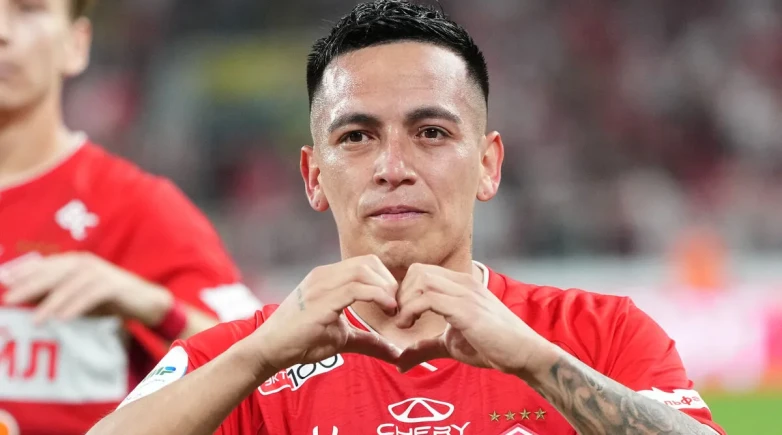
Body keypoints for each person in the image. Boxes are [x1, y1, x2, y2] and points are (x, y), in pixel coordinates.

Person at [89, 1, 726, 434]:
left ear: (488, 165)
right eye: (357, 137)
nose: (393, 167)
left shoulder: (602, 335)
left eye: (430, 132)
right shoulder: (245, 359)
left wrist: (534, 361)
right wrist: (256, 359)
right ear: (314, 176)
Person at [0, 1, 261, 434]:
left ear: (76, 44)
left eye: (28, 9)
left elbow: (274, 375)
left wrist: (157, 308)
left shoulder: (138, 209)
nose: (1, 30)